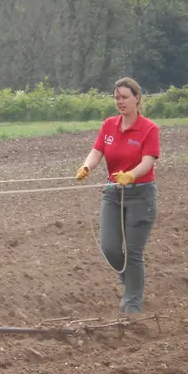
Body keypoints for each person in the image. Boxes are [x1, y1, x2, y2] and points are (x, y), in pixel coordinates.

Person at [75, 77, 160, 313]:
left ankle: (132, 305)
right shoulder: (109, 125)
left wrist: (131, 175)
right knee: (109, 248)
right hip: (113, 193)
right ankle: (130, 282)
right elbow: (97, 151)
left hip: (141, 196)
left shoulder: (149, 129)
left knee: (133, 253)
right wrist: (86, 167)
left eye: (124, 97)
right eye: (116, 98)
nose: (120, 102)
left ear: (137, 98)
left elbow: (148, 161)